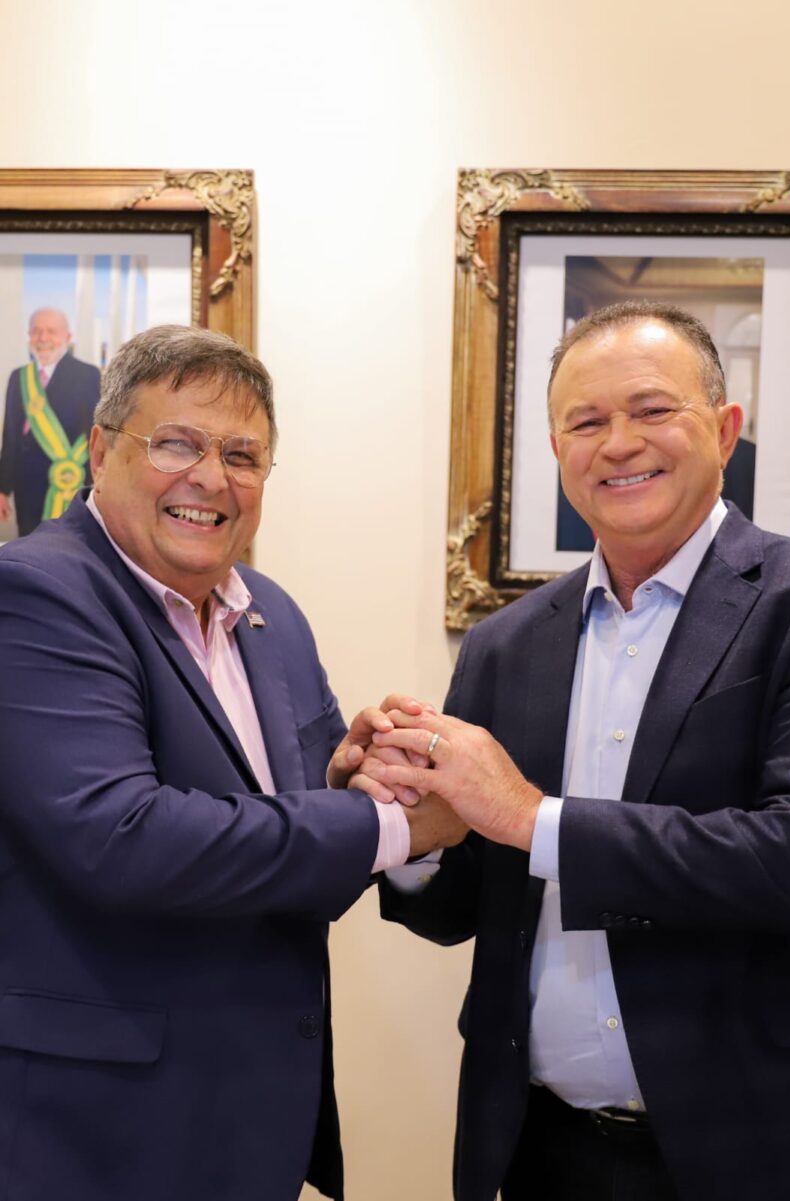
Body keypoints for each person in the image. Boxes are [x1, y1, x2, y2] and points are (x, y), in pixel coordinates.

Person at [334, 301, 790, 1201]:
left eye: (652, 409)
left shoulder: (787, 602)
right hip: (537, 1148)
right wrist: (413, 833)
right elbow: (466, 905)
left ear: (725, 429)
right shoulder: (505, 644)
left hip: (749, 1147)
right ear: (557, 450)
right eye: (586, 423)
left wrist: (527, 816)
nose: (618, 443)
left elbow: (787, 855)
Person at [0, 324, 462, 1201]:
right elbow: (122, 837)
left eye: (243, 456)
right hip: (94, 1136)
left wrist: (370, 779)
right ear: (100, 449)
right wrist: (391, 823)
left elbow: (303, 856)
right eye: (177, 443)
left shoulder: (270, 612)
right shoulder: (36, 591)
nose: (212, 478)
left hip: (253, 1125)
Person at [0, 306, 100, 536]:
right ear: (29, 336)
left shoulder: (88, 375)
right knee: (29, 547)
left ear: (68, 336)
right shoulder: (18, 377)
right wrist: (2, 489)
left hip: (72, 484)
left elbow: (97, 435)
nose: (43, 338)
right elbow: (11, 438)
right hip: (27, 488)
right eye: (36, 331)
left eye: (51, 331)